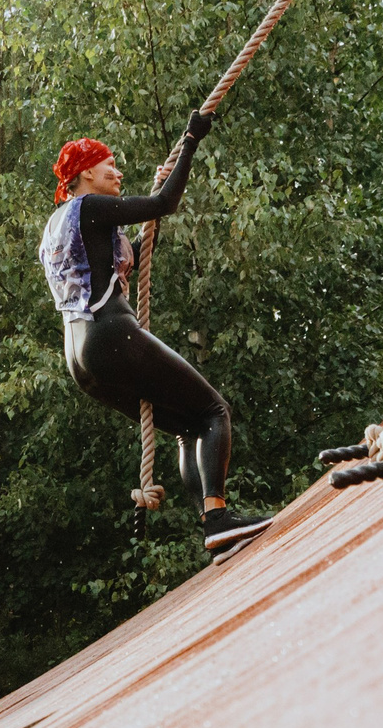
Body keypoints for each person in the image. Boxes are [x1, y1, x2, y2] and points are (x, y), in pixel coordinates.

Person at [40, 113, 272, 554]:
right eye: (110, 165)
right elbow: (165, 202)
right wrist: (191, 141)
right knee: (214, 411)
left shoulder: (57, 226)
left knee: (188, 426)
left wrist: (153, 216)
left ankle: (213, 525)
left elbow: (135, 252)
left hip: (80, 358)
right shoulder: (92, 207)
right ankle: (218, 517)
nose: (118, 173)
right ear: (86, 173)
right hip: (110, 334)